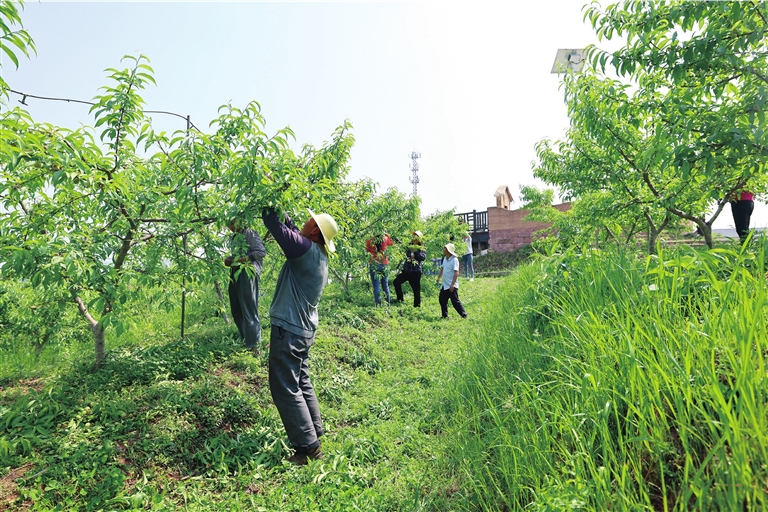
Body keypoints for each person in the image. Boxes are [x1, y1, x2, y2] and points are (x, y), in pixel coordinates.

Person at [262, 207, 339, 465]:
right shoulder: (317, 253)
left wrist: (267, 196)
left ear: (315, 231)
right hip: (303, 330)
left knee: (285, 385)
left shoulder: (304, 250)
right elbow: (291, 227)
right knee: (301, 380)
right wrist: (281, 205)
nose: (305, 221)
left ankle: (308, 448)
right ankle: (314, 430)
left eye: (311, 220)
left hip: (290, 329)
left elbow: (276, 226)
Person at [224, 218, 266, 355]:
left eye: (232, 223)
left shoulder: (250, 233)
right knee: (236, 309)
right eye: (228, 224)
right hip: (236, 273)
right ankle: (246, 342)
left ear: (239, 221)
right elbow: (238, 255)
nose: (230, 226)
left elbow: (260, 252)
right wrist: (230, 259)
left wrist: (240, 261)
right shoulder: (235, 237)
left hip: (248, 273)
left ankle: (255, 347)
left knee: (249, 309)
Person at [393, 231, 427, 307]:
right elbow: (402, 246)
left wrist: (416, 252)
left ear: (419, 238)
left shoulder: (422, 247)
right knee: (396, 282)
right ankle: (400, 299)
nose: (413, 237)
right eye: (413, 236)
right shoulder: (409, 245)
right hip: (407, 271)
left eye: (416, 236)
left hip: (415, 272)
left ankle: (417, 305)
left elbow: (422, 258)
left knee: (416, 290)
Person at [436, 242, 468, 319]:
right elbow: (442, 269)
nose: (443, 250)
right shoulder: (445, 259)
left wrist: (452, 284)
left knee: (455, 301)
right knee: (442, 300)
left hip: (451, 286)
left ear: (449, 251)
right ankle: (445, 315)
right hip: (444, 284)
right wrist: (439, 277)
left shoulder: (454, 260)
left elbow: (456, 272)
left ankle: (464, 314)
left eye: (445, 248)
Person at [365, 233, 394, 306]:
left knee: (376, 286)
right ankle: (388, 305)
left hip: (374, 264)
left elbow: (367, 251)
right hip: (384, 264)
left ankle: (378, 305)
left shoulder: (370, 241)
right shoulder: (385, 239)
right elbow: (392, 242)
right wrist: (387, 235)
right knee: (385, 285)